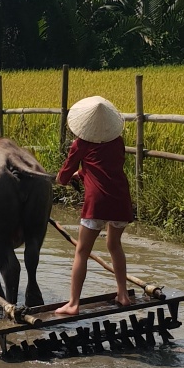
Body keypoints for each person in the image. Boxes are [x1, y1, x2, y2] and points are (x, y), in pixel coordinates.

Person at [53, 94, 135, 317]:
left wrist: (68, 176)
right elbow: (106, 166)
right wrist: (84, 173)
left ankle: (73, 304)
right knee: (114, 245)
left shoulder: (80, 144)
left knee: (82, 251)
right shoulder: (117, 141)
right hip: (120, 199)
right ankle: (123, 295)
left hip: (97, 202)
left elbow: (63, 176)